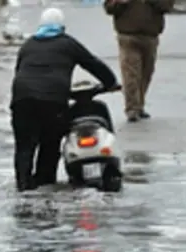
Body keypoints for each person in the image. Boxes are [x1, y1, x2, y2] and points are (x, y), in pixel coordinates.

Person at [10, 7, 119, 192]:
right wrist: (111, 82)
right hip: (53, 100)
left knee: (24, 146)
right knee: (50, 143)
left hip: (22, 99)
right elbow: (93, 63)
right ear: (62, 28)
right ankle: (45, 183)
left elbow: (19, 70)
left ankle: (23, 186)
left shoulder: (28, 45)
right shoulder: (67, 44)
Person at [104, 0, 174, 122]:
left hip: (151, 36)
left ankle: (139, 105)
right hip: (128, 36)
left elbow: (167, 7)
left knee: (146, 73)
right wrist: (120, 3)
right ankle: (132, 108)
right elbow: (109, 8)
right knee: (131, 73)